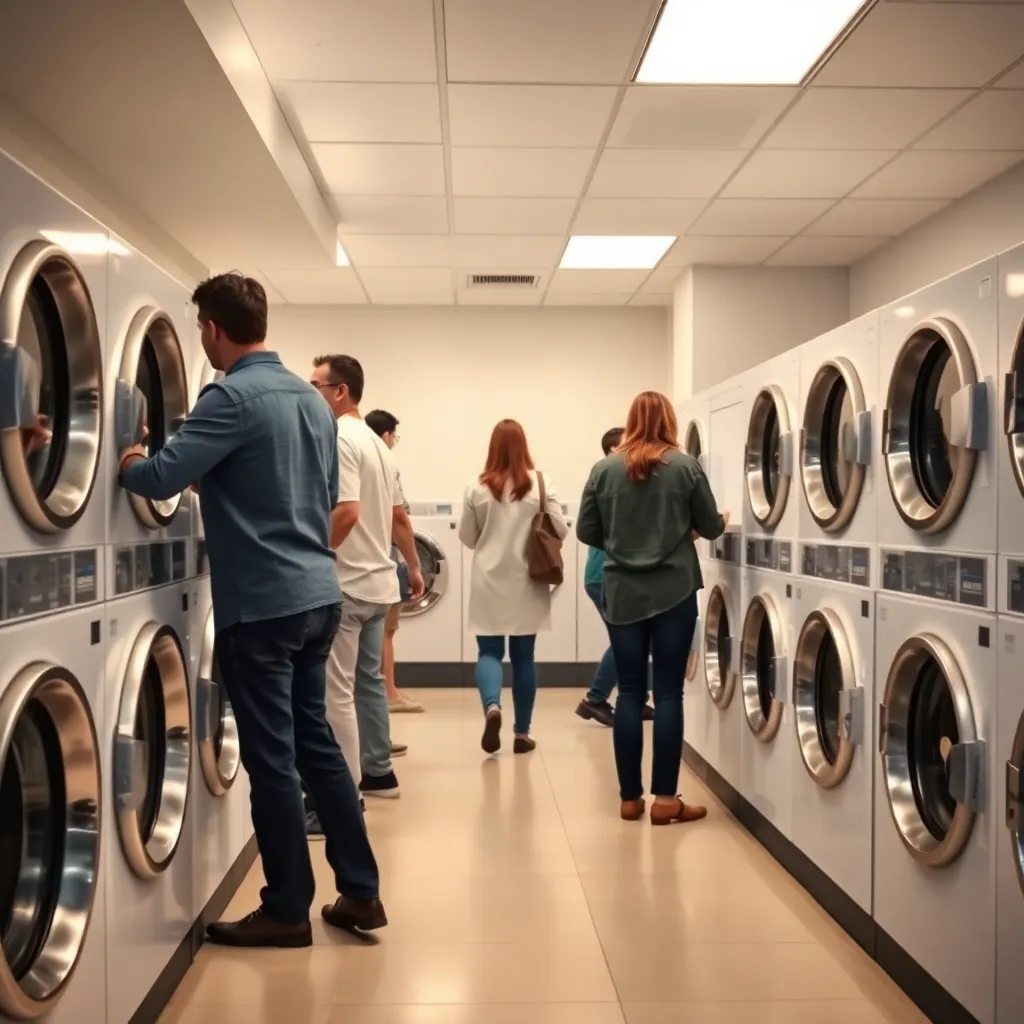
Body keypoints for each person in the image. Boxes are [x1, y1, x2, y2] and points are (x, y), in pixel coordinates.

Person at [118, 272, 384, 946]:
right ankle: (360, 893)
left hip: (263, 605)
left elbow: (159, 478)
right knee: (316, 743)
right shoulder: (310, 400)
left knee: (271, 759)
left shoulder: (228, 397)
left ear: (211, 328)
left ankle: (287, 910)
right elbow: (315, 494)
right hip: (319, 594)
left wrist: (127, 456)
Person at [577, 391, 728, 826]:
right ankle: (666, 800)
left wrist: (626, 543)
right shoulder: (684, 467)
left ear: (629, 422)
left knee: (628, 691)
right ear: (670, 421)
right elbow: (712, 524)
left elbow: (588, 530)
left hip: (622, 591)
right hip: (675, 592)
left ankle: (629, 799)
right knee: (667, 693)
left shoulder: (604, 470)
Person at [311, 356, 424, 804]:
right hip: (379, 585)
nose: (310, 392)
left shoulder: (339, 436)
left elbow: (347, 510)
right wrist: (413, 567)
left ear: (340, 391)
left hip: (349, 583)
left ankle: (343, 792)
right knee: (369, 683)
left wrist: (311, 553)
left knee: (335, 691)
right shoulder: (380, 445)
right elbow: (399, 518)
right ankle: (378, 773)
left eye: (315, 384)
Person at [459, 419, 568, 755]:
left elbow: (467, 537)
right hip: (528, 580)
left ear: (493, 448)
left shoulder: (476, 489)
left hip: (488, 580)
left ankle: (492, 707)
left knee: (489, 652)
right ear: (524, 446)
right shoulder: (541, 483)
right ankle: (522, 734)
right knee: (524, 657)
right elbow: (561, 530)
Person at [575, 426, 653, 728]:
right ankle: (594, 700)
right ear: (612, 452)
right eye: (628, 444)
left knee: (637, 638)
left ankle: (639, 698)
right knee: (627, 640)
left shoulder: (623, 481)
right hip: (605, 576)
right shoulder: (610, 482)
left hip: (611, 575)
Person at [365, 408, 425, 715]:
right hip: (384, 563)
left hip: (357, 565)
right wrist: (414, 566)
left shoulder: (352, 457)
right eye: (394, 436)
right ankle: (390, 693)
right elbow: (398, 518)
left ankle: (387, 691)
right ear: (387, 435)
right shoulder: (386, 464)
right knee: (385, 632)